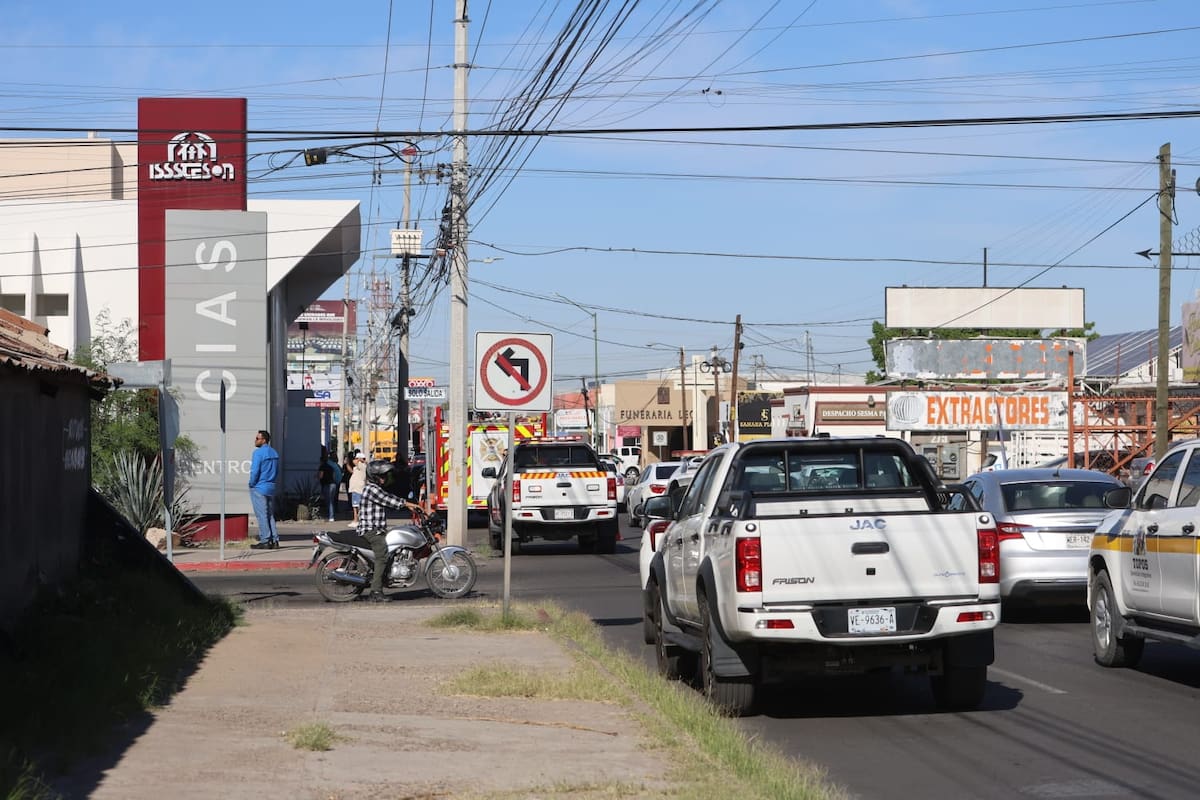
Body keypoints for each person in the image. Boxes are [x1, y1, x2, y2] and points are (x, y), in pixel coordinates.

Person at [358, 459, 424, 602]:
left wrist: (408, 504)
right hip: (371, 530)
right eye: (382, 476)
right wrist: (407, 504)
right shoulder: (372, 489)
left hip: (377, 529)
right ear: (374, 476)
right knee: (382, 555)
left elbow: (390, 497)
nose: (384, 478)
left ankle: (384, 577)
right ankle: (375, 592)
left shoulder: (375, 488)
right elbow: (389, 500)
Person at [248, 430, 280, 550]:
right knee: (270, 515)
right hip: (270, 486)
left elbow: (255, 471)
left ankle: (265, 540)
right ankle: (275, 539)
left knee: (262, 515)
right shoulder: (274, 453)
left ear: (264, 440)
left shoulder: (258, 453)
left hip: (259, 487)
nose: (255, 440)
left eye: (257, 438)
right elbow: (277, 471)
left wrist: (251, 483)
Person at [317, 449, 342, 522]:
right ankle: (332, 514)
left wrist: (317, 477)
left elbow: (321, 476)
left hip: (327, 485)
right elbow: (335, 474)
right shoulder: (332, 466)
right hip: (333, 484)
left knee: (329, 501)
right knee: (332, 500)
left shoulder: (322, 466)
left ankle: (331, 516)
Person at [348, 451, 367, 524]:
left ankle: (357, 519)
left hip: (358, 488)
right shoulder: (358, 467)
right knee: (355, 505)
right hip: (355, 488)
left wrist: (359, 460)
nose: (355, 460)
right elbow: (352, 471)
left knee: (357, 505)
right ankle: (355, 519)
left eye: (357, 458)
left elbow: (354, 461)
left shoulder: (362, 465)